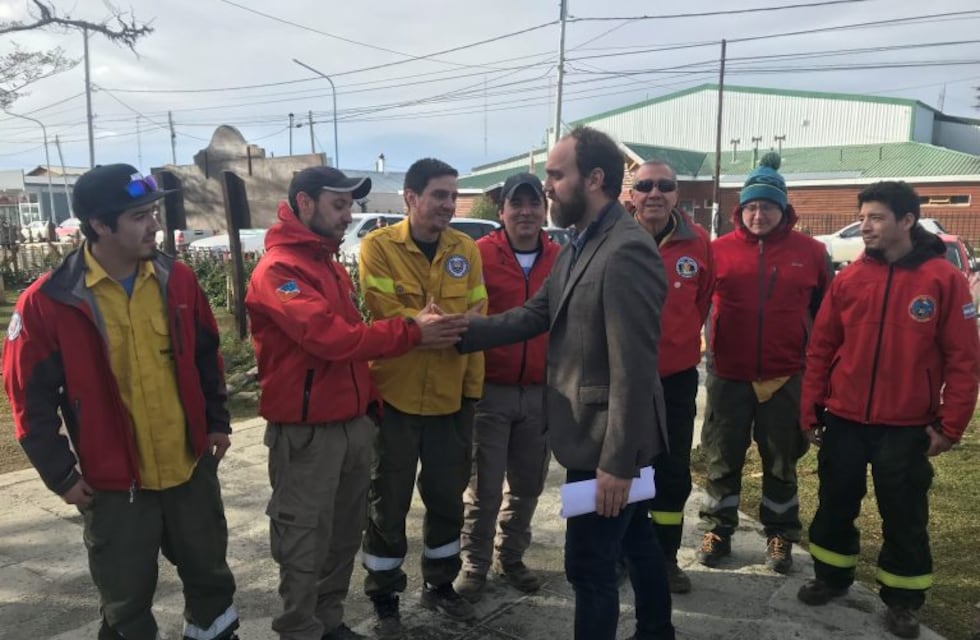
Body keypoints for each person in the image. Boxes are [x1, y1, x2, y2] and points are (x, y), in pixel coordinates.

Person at [1, 164, 240, 640]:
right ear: (100, 225)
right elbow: (29, 398)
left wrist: (216, 422)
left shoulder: (179, 281)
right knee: (126, 601)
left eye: (153, 212)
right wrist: (61, 476)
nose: (154, 224)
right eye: (138, 216)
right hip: (113, 487)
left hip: (188, 468)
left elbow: (206, 357)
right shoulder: (49, 302)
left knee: (211, 582)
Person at [458, 126, 675, 640]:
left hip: (607, 447)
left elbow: (635, 367)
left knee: (589, 568)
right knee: (639, 543)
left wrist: (617, 465)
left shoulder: (626, 250)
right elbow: (537, 312)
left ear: (594, 178)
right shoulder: (580, 243)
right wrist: (460, 330)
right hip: (593, 439)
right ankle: (657, 630)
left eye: (557, 174)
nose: (549, 186)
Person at [244, 167, 468, 640]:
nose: (349, 215)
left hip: (349, 425)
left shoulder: (324, 262)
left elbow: (349, 344)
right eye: (339, 205)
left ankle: (329, 622)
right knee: (304, 540)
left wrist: (367, 410)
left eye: (351, 206)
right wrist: (412, 332)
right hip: (307, 434)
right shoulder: (280, 270)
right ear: (304, 203)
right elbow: (330, 338)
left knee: (343, 536)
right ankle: (299, 629)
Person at [797, 181, 979, 639]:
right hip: (845, 419)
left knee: (904, 513)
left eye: (875, 217)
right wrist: (812, 408)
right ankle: (831, 576)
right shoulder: (850, 278)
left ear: (906, 221)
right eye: (862, 217)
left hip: (908, 424)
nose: (865, 225)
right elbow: (821, 349)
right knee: (836, 502)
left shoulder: (944, 280)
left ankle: (903, 599)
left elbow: (964, 359)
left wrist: (949, 425)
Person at [358, 158, 487, 639]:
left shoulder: (465, 250)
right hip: (395, 398)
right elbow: (384, 311)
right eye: (439, 195)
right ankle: (384, 595)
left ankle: (440, 584)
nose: (449, 205)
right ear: (411, 197)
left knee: (447, 499)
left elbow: (475, 314)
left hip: (453, 398)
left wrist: (426, 328)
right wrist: (420, 327)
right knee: (386, 502)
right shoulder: (377, 247)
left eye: (454, 196)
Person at [698, 152, 831, 574]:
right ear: (741, 210)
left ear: (783, 210)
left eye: (768, 206)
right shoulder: (717, 251)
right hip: (728, 374)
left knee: (781, 460)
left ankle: (780, 534)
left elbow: (827, 315)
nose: (759, 214)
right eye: (752, 206)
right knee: (722, 458)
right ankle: (719, 528)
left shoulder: (811, 252)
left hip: (786, 375)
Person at [453, 172, 560, 602]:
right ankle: (474, 565)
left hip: (540, 392)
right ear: (502, 212)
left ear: (544, 210)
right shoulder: (478, 255)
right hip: (491, 392)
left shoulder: (563, 258)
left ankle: (511, 556)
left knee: (529, 484)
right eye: (517, 204)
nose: (526, 212)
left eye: (534, 203)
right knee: (485, 489)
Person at [629, 160, 714, 593]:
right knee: (621, 467)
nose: (655, 193)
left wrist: (676, 344)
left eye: (665, 185)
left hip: (675, 380)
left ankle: (664, 557)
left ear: (677, 194)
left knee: (672, 471)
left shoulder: (698, 243)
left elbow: (701, 301)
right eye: (645, 185)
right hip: (622, 379)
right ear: (632, 195)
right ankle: (622, 553)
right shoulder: (614, 238)